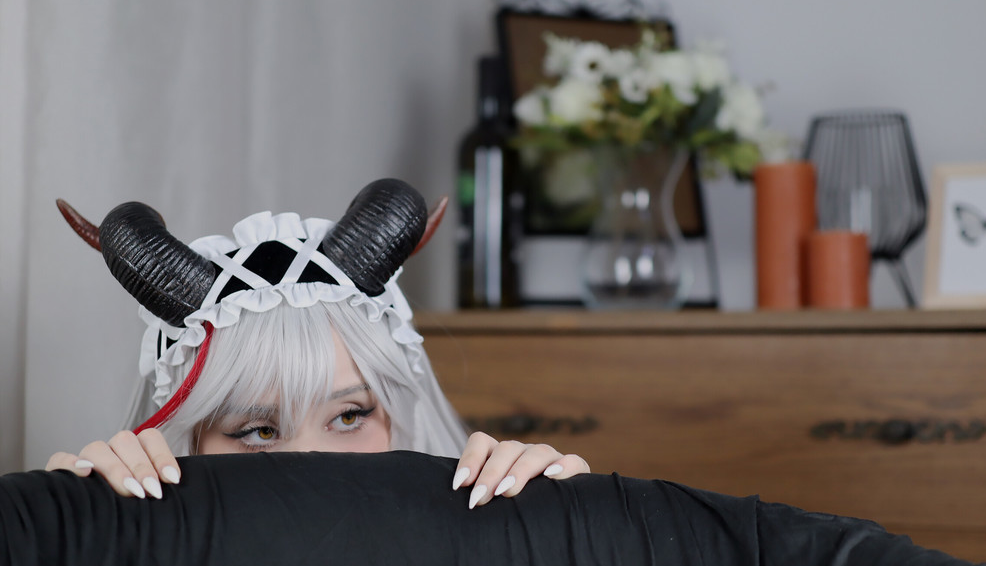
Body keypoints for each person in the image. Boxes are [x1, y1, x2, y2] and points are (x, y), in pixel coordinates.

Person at [45, 178, 588, 508]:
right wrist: (75, 544)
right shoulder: (137, 561)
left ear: (397, 413)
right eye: (258, 430)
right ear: (188, 441)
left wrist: (563, 533)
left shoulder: (477, 543)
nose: (312, 463)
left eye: (349, 417)